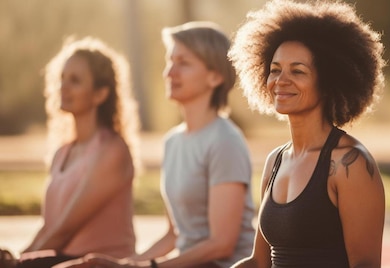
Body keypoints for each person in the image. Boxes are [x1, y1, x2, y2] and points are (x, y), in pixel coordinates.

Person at [64, 21, 256, 268]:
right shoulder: (173, 142)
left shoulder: (225, 141)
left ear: (215, 76)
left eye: (183, 63)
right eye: (170, 61)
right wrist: (124, 264)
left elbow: (221, 244)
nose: (169, 73)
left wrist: (145, 267)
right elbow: (174, 235)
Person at [228, 0, 386, 267]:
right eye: (275, 70)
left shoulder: (351, 163)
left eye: (297, 71)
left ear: (328, 82)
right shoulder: (275, 161)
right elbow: (259, 262)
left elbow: (366, 265)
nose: (281, 80)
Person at [17, 37, 140, 268]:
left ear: (100, 94)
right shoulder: (62, 152)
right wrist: (18, 257)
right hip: (62, 261)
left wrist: (18, 262)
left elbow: (64, 231)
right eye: (61, 78)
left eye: (75, 80)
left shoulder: (112, 151)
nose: (63, 86)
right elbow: (49, 227)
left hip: (99, 263)